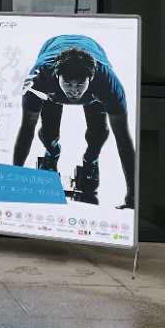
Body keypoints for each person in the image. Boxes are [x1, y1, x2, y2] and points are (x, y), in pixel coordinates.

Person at [12, 34, 134, 208]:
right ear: (57, 76)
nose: (74, 91)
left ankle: (91, 160)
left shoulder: (107, 82)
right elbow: (26, 130)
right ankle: (51, 154)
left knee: (98, 134)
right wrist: (14, 185)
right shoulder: (39, 79)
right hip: (51, 79)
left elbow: (123, 139)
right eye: (68, 83)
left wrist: (132, 196)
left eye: (80, 84)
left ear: (91, 78)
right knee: (49, 133)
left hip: (92, 76)